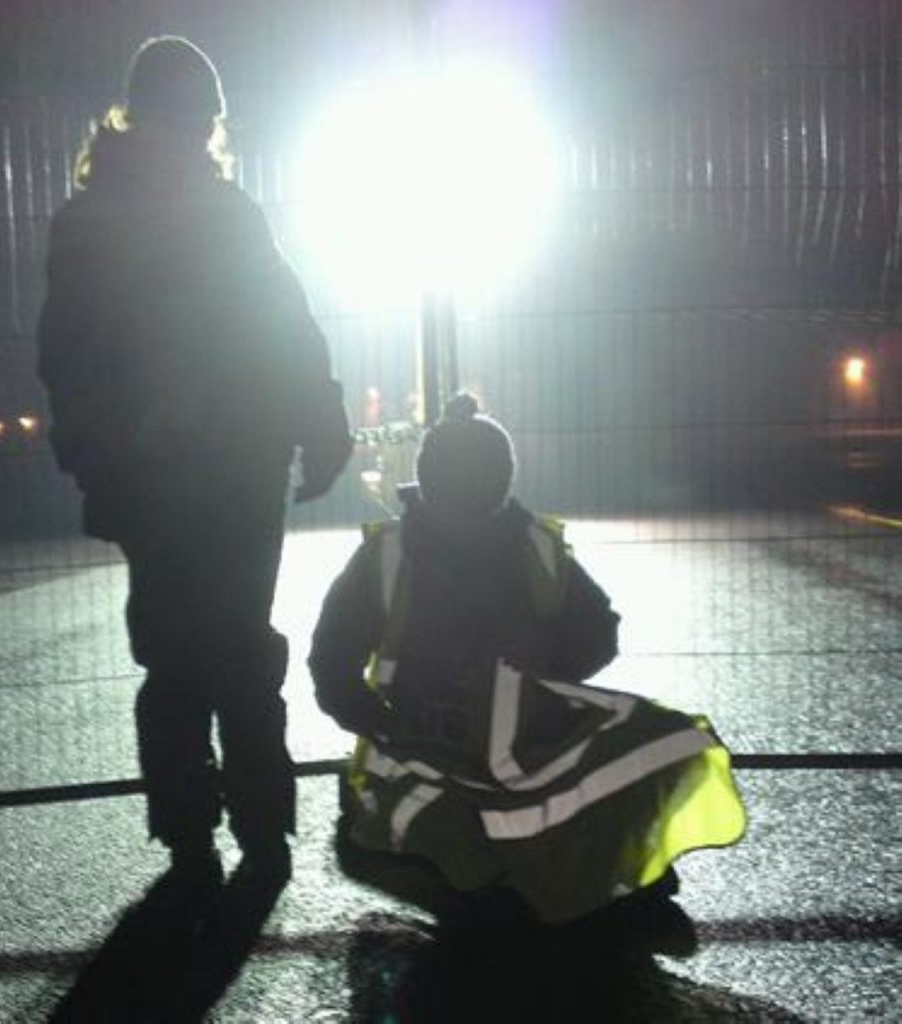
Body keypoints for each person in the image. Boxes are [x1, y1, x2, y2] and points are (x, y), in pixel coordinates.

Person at [37, 36, 353, 893]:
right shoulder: (228, 215)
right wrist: (320, 422)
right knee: (241, 642)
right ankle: (262, 822)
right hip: (239, 463)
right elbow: (285, 324)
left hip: (150, 473)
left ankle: (188, 828)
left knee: (174, 653)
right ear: (204, 119)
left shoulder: (89, 221)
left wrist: (93, 451)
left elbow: (67, 353)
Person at [309, 393, 746, 930]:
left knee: (662, 742)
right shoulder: (396, 554)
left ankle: (574, 879)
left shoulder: (515, 546)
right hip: (423, 748)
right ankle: (575, 880)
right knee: (465, 835)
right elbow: (333, 661)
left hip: (524, 736)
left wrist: (526, 689)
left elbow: (596, 629)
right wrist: (387, 723)